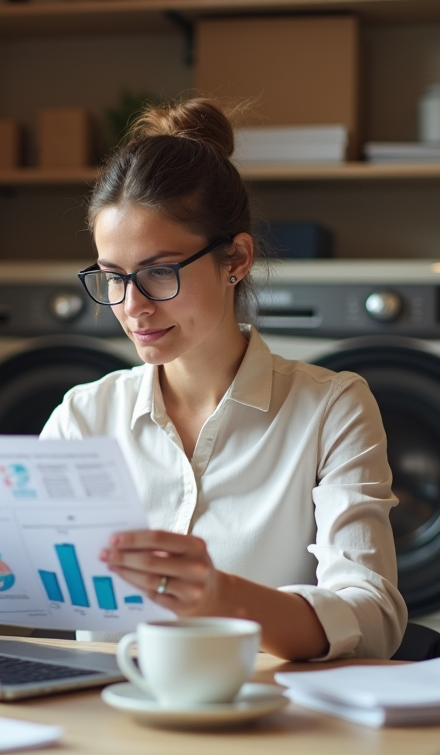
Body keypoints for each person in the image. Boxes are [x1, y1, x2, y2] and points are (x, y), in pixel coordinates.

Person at [39, 98, 407, 661]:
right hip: (112, 728)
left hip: (270, 730)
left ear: (235, 258)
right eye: (112, 277)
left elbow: (374, 617)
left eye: (159, 272)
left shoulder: (332, 408)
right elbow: (19, 588)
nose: (132, 306)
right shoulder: (83, 418)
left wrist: (224, 597)